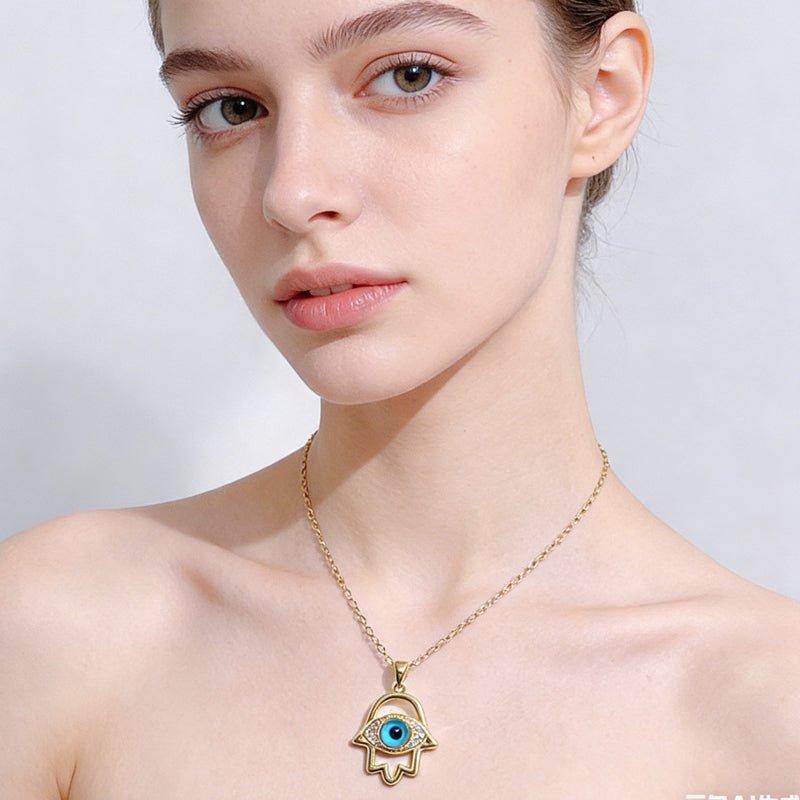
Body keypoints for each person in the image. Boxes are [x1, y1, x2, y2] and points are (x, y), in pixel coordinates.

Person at [1, 0, 798, 796]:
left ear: (604, 94)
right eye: (232, 108)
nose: (293, 191)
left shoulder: (769, 714)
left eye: (407, 77)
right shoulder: (52, 633)